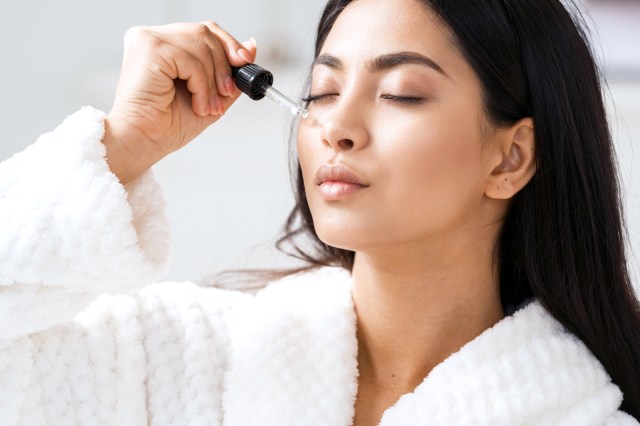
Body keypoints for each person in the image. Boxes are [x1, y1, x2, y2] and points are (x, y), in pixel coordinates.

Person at [1, 0, 639, 424]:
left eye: (401, 94)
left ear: (511, 158)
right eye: (323, 91)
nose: (337, 126)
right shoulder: (173, 357)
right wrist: (121, 146)